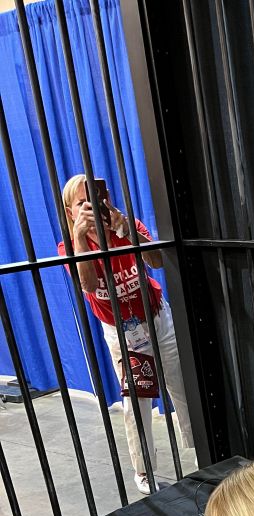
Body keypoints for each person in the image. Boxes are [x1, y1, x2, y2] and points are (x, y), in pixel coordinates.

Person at [59, 174, 194, 494]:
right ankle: (144, 471)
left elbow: (157, 260)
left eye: (98, 198)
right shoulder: (69, 246)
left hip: (157, 317)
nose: (93, 207)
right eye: (83, 203)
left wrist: (125, 229)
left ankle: (200, 448)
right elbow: (89, 285)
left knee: (183, 387)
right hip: (123, 333)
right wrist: (81, 238)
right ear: (70, 212)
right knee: (138, 402)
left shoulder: (125, 225)